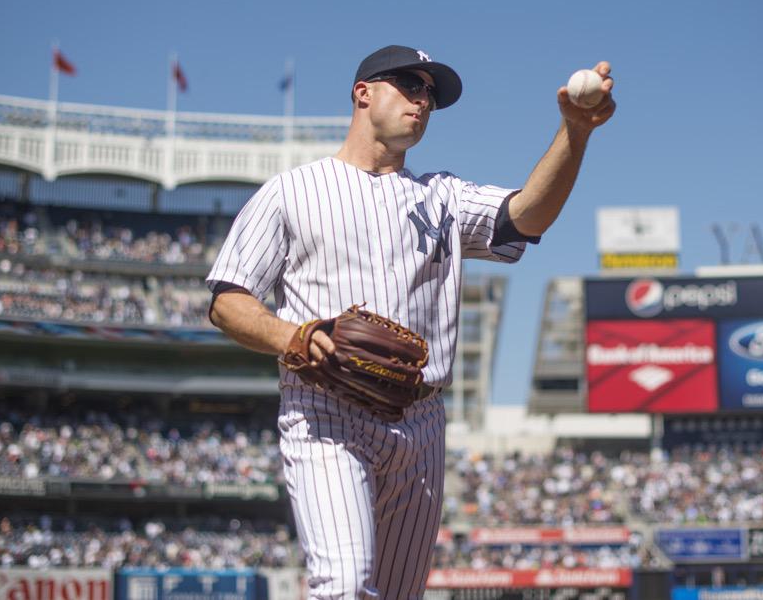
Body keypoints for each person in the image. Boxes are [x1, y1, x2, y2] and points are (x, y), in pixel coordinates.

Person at [205, 45, 614, 599]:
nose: (423, 101)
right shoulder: (290, 191)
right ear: (363, 92)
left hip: (418, 419)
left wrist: (575, 132)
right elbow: (229, 301)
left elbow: (526, 217)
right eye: (410, 85)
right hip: (325, 407)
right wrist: (291, 335)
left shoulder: (441, 196)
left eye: (430, 95)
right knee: (344, 586)